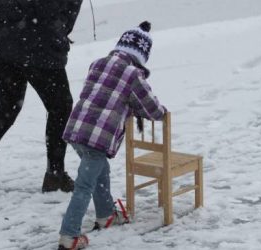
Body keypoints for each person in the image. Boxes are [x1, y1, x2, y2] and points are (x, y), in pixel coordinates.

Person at [57, 21, 167, 249]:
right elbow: (152, 110)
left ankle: (106, 214)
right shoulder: (133, 74)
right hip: (97, 138)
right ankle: (69, 236)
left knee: (99, 171)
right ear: (141, 56)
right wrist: (163, 113)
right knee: (84, 185)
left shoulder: (97, 63)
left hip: (76, 130)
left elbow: (103, 93)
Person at [0, 0, 83, 193]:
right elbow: (43, 8)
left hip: (1, 43)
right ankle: (55, 175)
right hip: (35, 46)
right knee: (60, 107)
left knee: (8, 105)